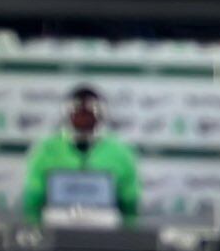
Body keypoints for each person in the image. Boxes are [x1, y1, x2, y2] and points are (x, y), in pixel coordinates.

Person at [21, 85, 141, 226]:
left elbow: (130, 203)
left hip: (107, 228)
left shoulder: (120, 152)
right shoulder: (46, 149)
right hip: (55, 225)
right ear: (66, 113)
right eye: (78, 111)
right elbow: (32, 200)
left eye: (90, 111)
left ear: (102, 115)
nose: (84, 116)